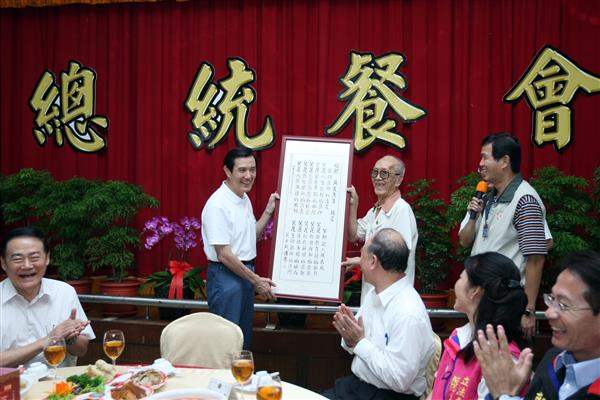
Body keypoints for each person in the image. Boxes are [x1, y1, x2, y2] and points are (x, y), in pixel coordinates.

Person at [324, 228, 434, 400]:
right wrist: (350, 337)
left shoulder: (407, 312)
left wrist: (359, 342)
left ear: (373, 261)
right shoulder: (375, 293)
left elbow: (400, 379)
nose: (359, 261)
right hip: (357, 386)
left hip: (388, 396)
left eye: (362, 255)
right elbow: (356, 342)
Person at [473, 250, 600, 400]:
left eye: (564, 305)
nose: (549, 313)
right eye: (552, 299)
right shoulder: (553, 360)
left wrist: (503, 395)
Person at [464, 133, 547, 338]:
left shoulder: (525, 199)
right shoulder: (487, 196)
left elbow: (536, 258)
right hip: (484, 302)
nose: (480, 164)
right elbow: (464, 241)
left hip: (506, 305)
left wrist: (528, 309)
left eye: (485, 157)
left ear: (504, 161)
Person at [201, 147, 278, 349]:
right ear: (227, 171)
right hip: (226, 276)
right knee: (226, 343)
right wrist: (256, 281)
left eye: (252, 169)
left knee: (242, 341)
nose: (249, 176)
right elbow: (224, 254)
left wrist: (268, 211)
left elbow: (251, 237)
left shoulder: (243, 198)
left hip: (244, 275)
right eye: (242, 170)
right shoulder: (217, 204)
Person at [428, 252, 528, 400]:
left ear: (475, 291)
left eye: (460, 278)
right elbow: (436, 390)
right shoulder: (459, 336)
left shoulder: (501, 360)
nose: (455, 284)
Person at [0, 226, 94, 367]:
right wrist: (48, 340)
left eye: (34, 257)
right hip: (10, 381)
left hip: (58, 380)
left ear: (47, 258)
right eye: (17, 259)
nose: (27, 265)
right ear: (3, 263)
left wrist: (70, 339)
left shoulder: (64, 292)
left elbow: (82, 351)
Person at [345, 155, 418, 303]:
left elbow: (397, 257)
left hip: (392, 298)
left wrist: (361, 261)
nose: (378, 178)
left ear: (398, 180)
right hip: (373, 297)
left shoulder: (401, 209)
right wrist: (354, 205)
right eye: (375, 172)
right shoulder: (375, 211)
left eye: (384, 173)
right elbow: (354, 235)